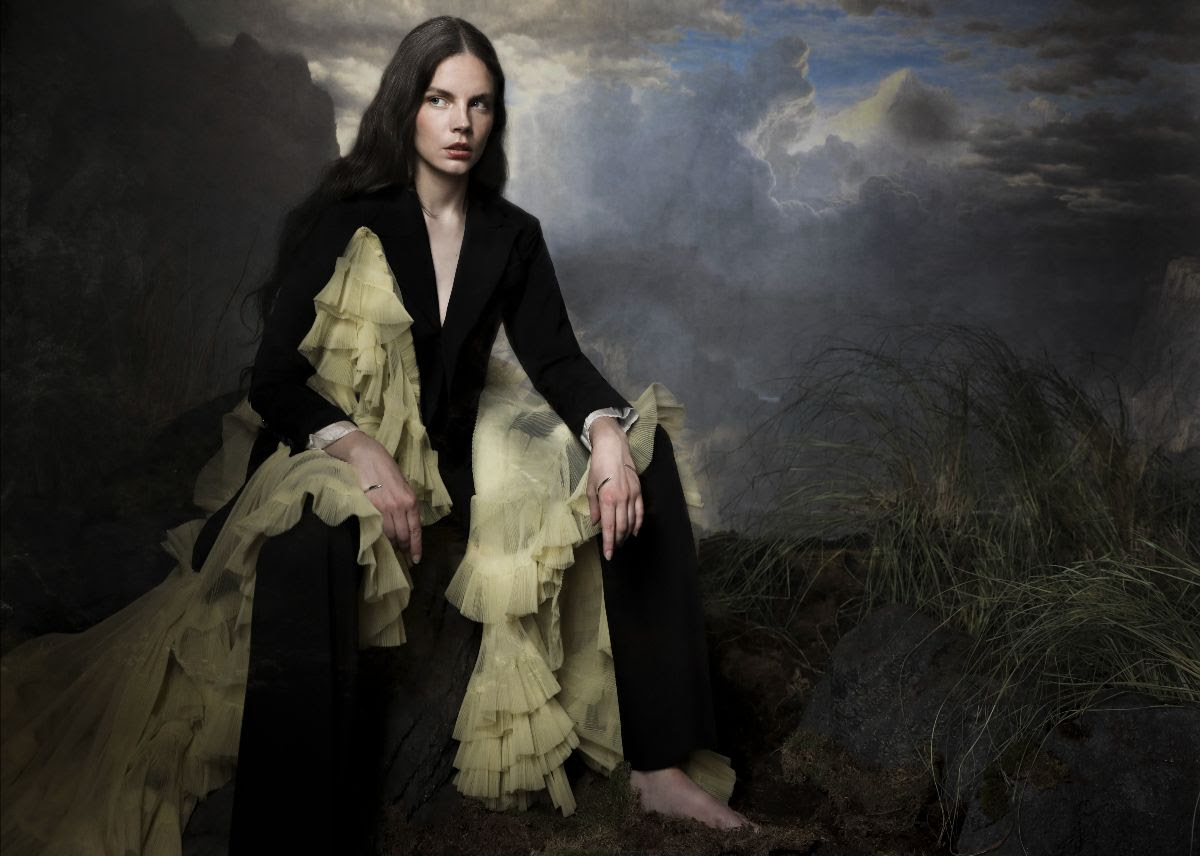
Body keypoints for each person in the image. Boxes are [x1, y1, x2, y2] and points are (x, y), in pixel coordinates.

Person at [0, 16, 748, 856]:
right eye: (440, 100)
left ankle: (659, 769)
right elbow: (274, 379)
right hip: (338, 435)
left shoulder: (512, 234)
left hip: (462, 445)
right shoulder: (346, 220)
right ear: (406, 107)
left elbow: (556, 359)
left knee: (641, 455)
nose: (461, 122)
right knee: (312, 530)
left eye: (479, 104)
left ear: (496, 117)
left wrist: (607, 432)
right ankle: (289, 836)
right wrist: (358, 449)